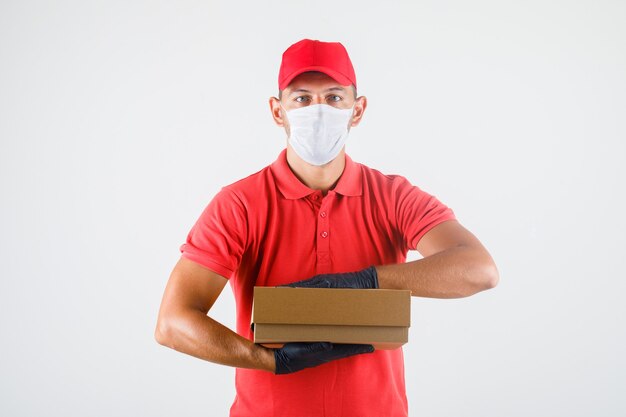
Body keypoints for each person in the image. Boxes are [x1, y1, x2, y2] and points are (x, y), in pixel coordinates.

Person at [155, 38, 499, 417]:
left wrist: (364, 282)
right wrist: (270, 361)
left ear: (358, 109)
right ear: (277, 110)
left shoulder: (393, 196)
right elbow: (173, 322)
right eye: (302, 98)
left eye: (334, 98)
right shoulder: (240, 203)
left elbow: (478, 269)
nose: (318, 111)